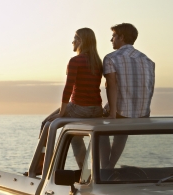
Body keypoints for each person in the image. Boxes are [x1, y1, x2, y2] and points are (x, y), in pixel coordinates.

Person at [38, 28, 103, 173]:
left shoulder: (76, 61)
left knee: (47, 124)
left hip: (80, 107)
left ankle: (41, 167)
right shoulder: (97, 61)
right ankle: (85, 172)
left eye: (75, 38)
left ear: (81, 41)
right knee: (75, 136)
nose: (72, 41)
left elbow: (68, 89)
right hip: (96, 108)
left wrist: (62, 112)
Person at [101, 23, 155, 169]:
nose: (111, 40)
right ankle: (110, 166)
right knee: (121, 129)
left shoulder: (111, 58)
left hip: (122, 114)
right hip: (143, 115)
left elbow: (111, 85)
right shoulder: (148, 60)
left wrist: (111, 113)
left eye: (113, 36)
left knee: (97, 125)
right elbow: (149, 87)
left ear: (121, 37)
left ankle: (105, 167)